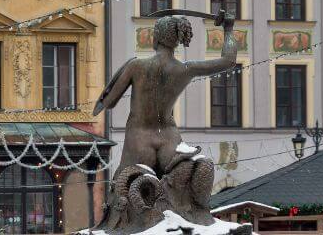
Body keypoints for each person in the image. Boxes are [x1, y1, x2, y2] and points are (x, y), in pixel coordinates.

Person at [94, 10, 238, 180]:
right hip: (170, 140)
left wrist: (118, 76)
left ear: (157, 37)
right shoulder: (185, 69)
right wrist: (228, 29)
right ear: (176, 39)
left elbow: (109, 102)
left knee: (126, 190)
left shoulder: (136, 66)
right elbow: (229, 61)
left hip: (140, 138)